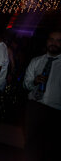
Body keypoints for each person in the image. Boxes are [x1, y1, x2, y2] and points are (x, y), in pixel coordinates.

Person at [22, 29, 61, 161]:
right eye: (51, 39)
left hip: (55, 110)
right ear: (47, 41)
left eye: (58, 40)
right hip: (35, 108)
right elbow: (25, 84)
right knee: (30, 144)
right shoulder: (36, 61)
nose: (54, 43)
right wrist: (34, 81)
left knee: (50, 148)